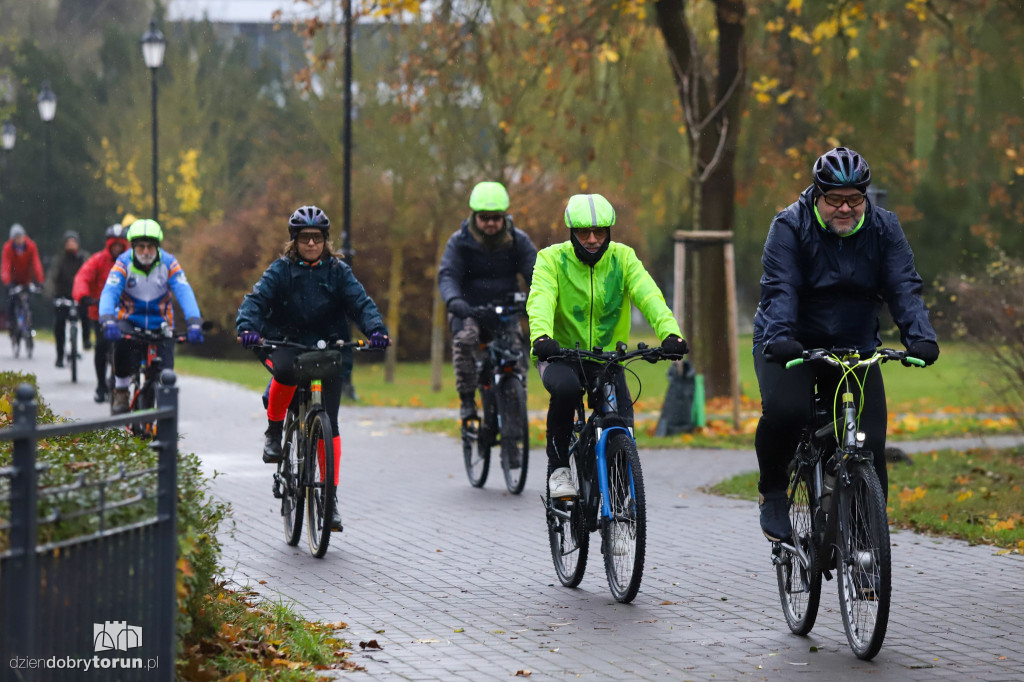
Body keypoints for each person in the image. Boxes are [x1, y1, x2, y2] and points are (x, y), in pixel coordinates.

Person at [752, 146, 939, 542]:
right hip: (791, 339)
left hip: (855, 344)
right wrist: (782, 337)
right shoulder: (789, 225)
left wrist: (920, 337)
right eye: (834, 199)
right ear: (816, 196)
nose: (845, 208)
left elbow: (903, 286)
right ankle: (772, 492)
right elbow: (780, 287)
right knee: (787, 410)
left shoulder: (885, 228)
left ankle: (866, 545)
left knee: (869, 441)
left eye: (854, 199)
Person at [236, 205, 390, 533]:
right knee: (285, 373)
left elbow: (360, 303)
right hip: (289, 343)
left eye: (317, 238)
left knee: (329, 424)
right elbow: (256, 301)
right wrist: (248, 326)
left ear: (325, 241)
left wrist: (375, 330)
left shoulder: (337, 271)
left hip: (329, 347)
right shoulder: (280, 271)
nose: (311, 244)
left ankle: (329, 498)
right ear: (295, 240)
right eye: (305, 238)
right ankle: (274, 433)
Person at [527, 193, 688, 500]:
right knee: (566, 390)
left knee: (619, 422)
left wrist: (670, 333)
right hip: (560, 354)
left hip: (607, 358)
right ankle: (559, 468)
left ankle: (618, 504)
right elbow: (541, 300)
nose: (592, 239)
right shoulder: (551, 259)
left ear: (609, 232)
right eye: (584, 232)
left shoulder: (623, 258)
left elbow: (648, 294)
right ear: (571, 233)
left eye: (599, 232)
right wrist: (542, 337)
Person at [438, 181, 537, 420]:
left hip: (505, 309)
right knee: (465, 340)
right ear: (475, 216)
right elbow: (448, 274)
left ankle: (516, 407)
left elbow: (536, 274)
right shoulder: (459, 242)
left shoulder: (517, 240)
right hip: (468, 308)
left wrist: (537, 299)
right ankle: (468, 401)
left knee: (516, 352)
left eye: (496, 217)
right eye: (485, 218)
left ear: (504, 217)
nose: (491, 223)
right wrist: (453, 300)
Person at [99, 219, 205, 414]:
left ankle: (164, 425)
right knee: (121, 344)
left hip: (161, 324)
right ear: (133, 247)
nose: (146, 252)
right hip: (130, 321)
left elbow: (184, 291)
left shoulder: (169, 262)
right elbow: (109, 292)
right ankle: (121, 389)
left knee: (167, 377)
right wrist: (107, 318)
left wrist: (194, 321)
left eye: (150, 247)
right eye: (141, 247)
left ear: (157, 247)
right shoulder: (123, 263)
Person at [73, 223, 130, 402]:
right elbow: (83, 276)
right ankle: (100, 385)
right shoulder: (98, 260)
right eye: (115, 245)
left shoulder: (129, 261)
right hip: (100, 312)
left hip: (123, 313)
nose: (117, 249)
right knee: (102, 347)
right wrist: (83, 296)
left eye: (120, 246)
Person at [44, 230, 87, 367]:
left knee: (86, 315)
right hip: (63, 296)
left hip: (80, 296)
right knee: (59, 324)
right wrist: (49, 294)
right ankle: (60, 354)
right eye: (68, 242)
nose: (71, 245)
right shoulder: (59, 260)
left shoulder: (84, 258)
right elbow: (51, 278)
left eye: (73, 242)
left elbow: (89, 275)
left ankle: (86, 339)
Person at [1, 223, 44, 335]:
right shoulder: (8, 248)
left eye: (21, 237)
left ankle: (30, 324)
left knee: (29, 302)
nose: (20, 240)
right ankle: (11, 323)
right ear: (13, 239)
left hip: (26, 280)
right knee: (10, 301)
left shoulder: (31, 246)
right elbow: (5, 266)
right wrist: (7, 281)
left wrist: (39, 280)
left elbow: (36, 263)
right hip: (13, 280)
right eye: (17, 238)